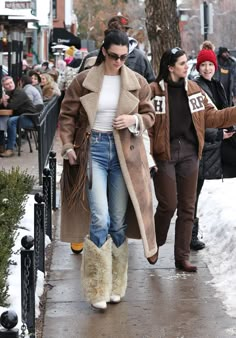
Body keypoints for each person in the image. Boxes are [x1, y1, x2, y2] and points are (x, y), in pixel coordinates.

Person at [59, 29, 157, 310]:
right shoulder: (83, 81)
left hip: (124, 154)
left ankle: (116, 284)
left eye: (124, 57)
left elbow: (150, 116)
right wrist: (67, 146)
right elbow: (66, 115)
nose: (118, 61)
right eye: (114, 56)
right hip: (94, 150)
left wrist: (133, 119)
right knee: (99, 218)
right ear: (104, 52)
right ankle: (97, 287)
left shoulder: (137, 82)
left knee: (117, 220)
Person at [149, 47, 236, 272]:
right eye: (181, 63)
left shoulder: (194, 89)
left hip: (189, 153)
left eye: (187, 62)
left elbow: (212, 117)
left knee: (188, 207)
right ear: (170, 67)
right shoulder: (154, 91)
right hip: (164, 154)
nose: (186, 66)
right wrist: (149, 154)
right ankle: (154, 242)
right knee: (168, 204)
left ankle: (182, 257)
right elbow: (147, 124)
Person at [192, 41, 236, 250]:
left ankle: (191, 235)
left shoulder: (216, 85)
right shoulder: (197, 87)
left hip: (215, 145)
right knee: (193, 191)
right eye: (203, 66)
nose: (207, 68)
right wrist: (218, 133)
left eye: (210, 65)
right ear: (198, 68)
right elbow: (198, 122)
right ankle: (190, 236)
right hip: (202, 147)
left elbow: (223, 112)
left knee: (196, 191)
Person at [79, 14, 155, 83]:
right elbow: (79, 85)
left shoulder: (140, 58)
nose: (118, 61)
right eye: (112, 56)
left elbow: (150, 87)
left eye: (123, 31)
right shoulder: (92, 57)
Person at [0, 76, 38, 157]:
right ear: (4, 87)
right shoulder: (9, 93)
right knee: (3, 120)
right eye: (7, 84)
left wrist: (5, 101)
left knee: (11, 121)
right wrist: (2, 101)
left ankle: (10, 149)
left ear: (14, 82)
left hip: (30, 119)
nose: (10, 85)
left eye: (11, 82)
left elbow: (11, 106)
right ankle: (2, 145)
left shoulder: (19, 92)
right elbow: (4, 107)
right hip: (22, 117)